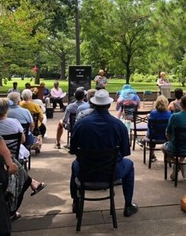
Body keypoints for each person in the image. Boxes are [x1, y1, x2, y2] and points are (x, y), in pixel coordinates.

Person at [69, 89, 139, 217]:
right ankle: (128, 205)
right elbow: (124, 152)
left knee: (74, 165)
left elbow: (73, 150)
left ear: (93, 104)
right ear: (108, 105)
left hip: (85, 172)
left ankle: (76, 202)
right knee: (129, 165)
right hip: (112, 173)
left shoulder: (81, 125)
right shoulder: (119, 125)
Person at [0, 105, 46, 221]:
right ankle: (12, 209)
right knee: (17, 171)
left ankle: (32, 182)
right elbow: (12, 165)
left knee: (13, 163)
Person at [163, 95, 186, 179]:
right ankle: (181, 164)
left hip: (176, 147)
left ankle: (178, 164)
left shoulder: (174, 116)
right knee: (182, 144)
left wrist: (170, 140)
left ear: (181, 104)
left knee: (163, 147)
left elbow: (168, 134)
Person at [142, 95, 172, 161]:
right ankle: (167, 156)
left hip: (153, 136)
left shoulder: (153, 113)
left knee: (151, 131)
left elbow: (149, 125)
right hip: (166, 136)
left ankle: (152, 153)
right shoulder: (170, 114)